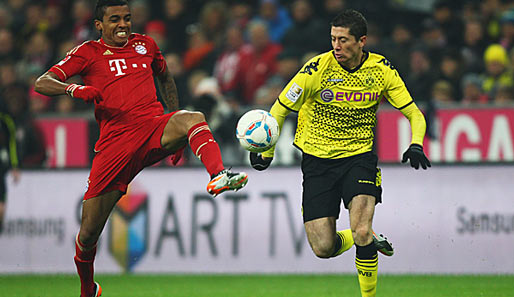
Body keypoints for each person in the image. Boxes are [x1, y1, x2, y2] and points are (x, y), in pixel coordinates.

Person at [33, 1, 248, 296]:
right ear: (99, 25)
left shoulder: (146, 45)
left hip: (151, 128)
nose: (123, 25)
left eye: (127, 18)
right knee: (88, 233)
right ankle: (88, 288)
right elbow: (43, 82)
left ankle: (218, 174)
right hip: (114, 146)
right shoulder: (87, 53)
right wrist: (74, 88)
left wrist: (179, 137)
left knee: (194, 118)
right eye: (115, 20)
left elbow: (166, 79)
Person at [250, 10, 430, 297]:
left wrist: (416, 143)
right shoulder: (316, 69)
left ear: (361, 41)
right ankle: (369, 238)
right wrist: (267, 151)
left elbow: (413, 113)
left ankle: (368, 286)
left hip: (359, 159)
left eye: (343, 40)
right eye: (333, 39)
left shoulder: (381, 70)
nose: (336, 46)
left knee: (360, 229)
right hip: (317, 162)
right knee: (323, 248)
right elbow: (280, 109)